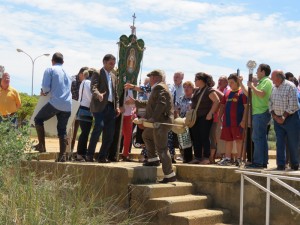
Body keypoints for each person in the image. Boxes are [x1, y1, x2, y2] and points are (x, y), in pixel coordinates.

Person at [127, 69, 176, 183]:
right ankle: (153, 159)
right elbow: (151, 103)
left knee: (162, 148)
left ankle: (169, 174)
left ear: (155, 77)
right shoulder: (159, 87)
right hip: (159, 122)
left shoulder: (160, 87)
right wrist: (135, 102)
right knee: (147, 135)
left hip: (161, 122)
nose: (150, 79)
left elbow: (161, 104)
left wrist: (153, 118)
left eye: (151, 77)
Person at [34, 52, 72, 162]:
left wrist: (44, 92)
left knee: (38, 119)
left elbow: (45, 88)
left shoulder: (50, 69)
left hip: (56, 103)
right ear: (63, 62)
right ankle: (62, 156)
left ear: (52, 61)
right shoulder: (68, 73)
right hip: (67, 105)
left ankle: (41, 146)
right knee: (62, 130)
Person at [86, 54, 120, 163]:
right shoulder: (98, 72)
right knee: (98, 127)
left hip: (111, 107)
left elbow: (115, 94)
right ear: (104, 62)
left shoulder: (114, 76)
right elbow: (93, 87)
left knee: (109, 133)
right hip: (99, 106)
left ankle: (102, 156)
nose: (112, 66)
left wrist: (118, 107)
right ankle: (89, 155)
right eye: (110, 63)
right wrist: (98, 94)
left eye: (114, 64)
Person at [239, 63, 273, 169]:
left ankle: (258, 162)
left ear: (263, 72)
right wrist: (241, 83)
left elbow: (261, 94)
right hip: (258, 113)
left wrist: (252, 86)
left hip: (261, 112)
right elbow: (249, 93)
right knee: (261, 138)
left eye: (258, 70)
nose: (257, 72)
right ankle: (262, 162)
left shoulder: (267, 81)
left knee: (257, 138)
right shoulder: (261, 82)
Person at [270, 70, 300, 170]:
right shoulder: (273, 88)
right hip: (277, 120)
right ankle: (281, 164)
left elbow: (293, 105)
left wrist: (283, 117)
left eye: (273, 77)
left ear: (278, 78)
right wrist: (275, 116)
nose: (272, 80)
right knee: (280, 142)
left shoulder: (290, 86)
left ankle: (295, 165)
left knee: (293, 142)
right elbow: (270, 103)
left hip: (291, 118)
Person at [189, 72, 220, 164]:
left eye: (196, 79)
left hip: (205, 117)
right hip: (196, 117)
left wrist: (210, 113)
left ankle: (206, 157)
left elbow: (217, 101)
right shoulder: (197, 90)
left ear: (201, 80)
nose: (194, 81)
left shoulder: (209, 90)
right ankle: (198, 157)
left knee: (204, 137)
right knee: (196, 137)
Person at [218, 73, 247, 166]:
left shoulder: (242, 93)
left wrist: (243, 120)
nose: (230, 84)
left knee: (239, 140)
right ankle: (227, 159)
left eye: (232, 82)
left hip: (238, 122)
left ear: (237, 82)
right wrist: (219, 116)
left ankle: (239, 159)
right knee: (228, 140)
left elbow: (246, 108)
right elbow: (222, 105)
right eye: (229, 82)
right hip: (227, 121)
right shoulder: (227, 93)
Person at [70, 66, 89, 151]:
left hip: (79, 108)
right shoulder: (73, 81)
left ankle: (72, 150)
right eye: (85, 76)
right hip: (71, 109)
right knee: (70, 133)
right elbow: (76, 97)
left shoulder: (83, 82)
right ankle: (68, 151)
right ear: (81, 74)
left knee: (75, 133)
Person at [75, 70, 92, 162]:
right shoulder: (88, 82)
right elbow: (90, 96)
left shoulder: (83, 82)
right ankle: (80, 154)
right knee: (85, 133)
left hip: (82, 108)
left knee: (84, 132)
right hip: (86, 109)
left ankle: (81, 153)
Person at [175, 81, 194, 163]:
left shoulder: (194, 99)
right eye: (185, 87)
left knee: (191, 140)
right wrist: (178, 119)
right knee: (183, 140)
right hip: (182, 122)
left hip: (192, 121)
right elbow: (176, 110)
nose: (186, 88)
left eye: (188, 87)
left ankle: (190, 158)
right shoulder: (180, 98)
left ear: (192, 88)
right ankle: (184, 157)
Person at [120, 89, 135, 161]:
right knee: (118, 135)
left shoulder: (131, 91)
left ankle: (125, 154)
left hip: (129, 115)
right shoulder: (118, 89)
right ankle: (113, 153)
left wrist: (131, 103)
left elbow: (134, 104)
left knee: (128, 136)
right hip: (120, 114)